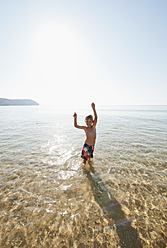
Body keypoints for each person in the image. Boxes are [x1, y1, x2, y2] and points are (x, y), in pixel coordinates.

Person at [73, 103, 97, 171]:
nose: (88, 123)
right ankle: (84, 171)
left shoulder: (94, 127)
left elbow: (96, 118)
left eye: (90, 121)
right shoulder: (85, 128)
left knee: (90, 159)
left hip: (92, 146)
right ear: (85, 121)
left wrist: (94, 108)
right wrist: (75, 118)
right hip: (86, 146)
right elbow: (76, 126)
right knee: (84, 161)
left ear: (92, 121)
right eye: (87, 121)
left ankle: (91, 168)